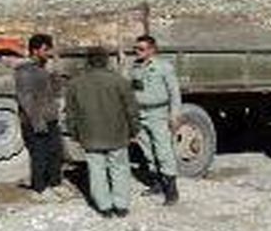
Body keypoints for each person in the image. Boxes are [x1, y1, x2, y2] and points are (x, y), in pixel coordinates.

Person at [64, 46, 138, 217]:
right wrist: (134, 130)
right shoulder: (120, 82)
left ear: (88, 61)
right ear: (106, 60)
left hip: (90, 135)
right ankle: (121, 206)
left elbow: (70, 113)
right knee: (119, 168)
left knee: (96, 170)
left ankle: (104, 207)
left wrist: (75, 134)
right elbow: (131, 110)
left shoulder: (75, 83)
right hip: (117, 134)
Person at [130, 34, 182, 205]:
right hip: (140, 114)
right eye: (135, 48)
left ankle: (171, 190)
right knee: (147, 150)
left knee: (163, 151)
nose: (137, 52)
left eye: (141, 49)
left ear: (152, 50)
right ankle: (157, 183)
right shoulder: (135, 67)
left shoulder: (164, 67)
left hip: (158, 114)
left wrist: (174, 115)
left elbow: (174, 92)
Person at [14, 33, 63, 196]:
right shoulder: (25, 71)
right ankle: (40, 188)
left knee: (55, 151)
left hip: (50, 117)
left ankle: (55, 183)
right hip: (35, 120)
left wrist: (54, 74)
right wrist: (37, 121)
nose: (49, 53)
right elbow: (26, 98)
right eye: (45, 49)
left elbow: (55, 91)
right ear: (35, 50)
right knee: (40, 155)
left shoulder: (43, 69)